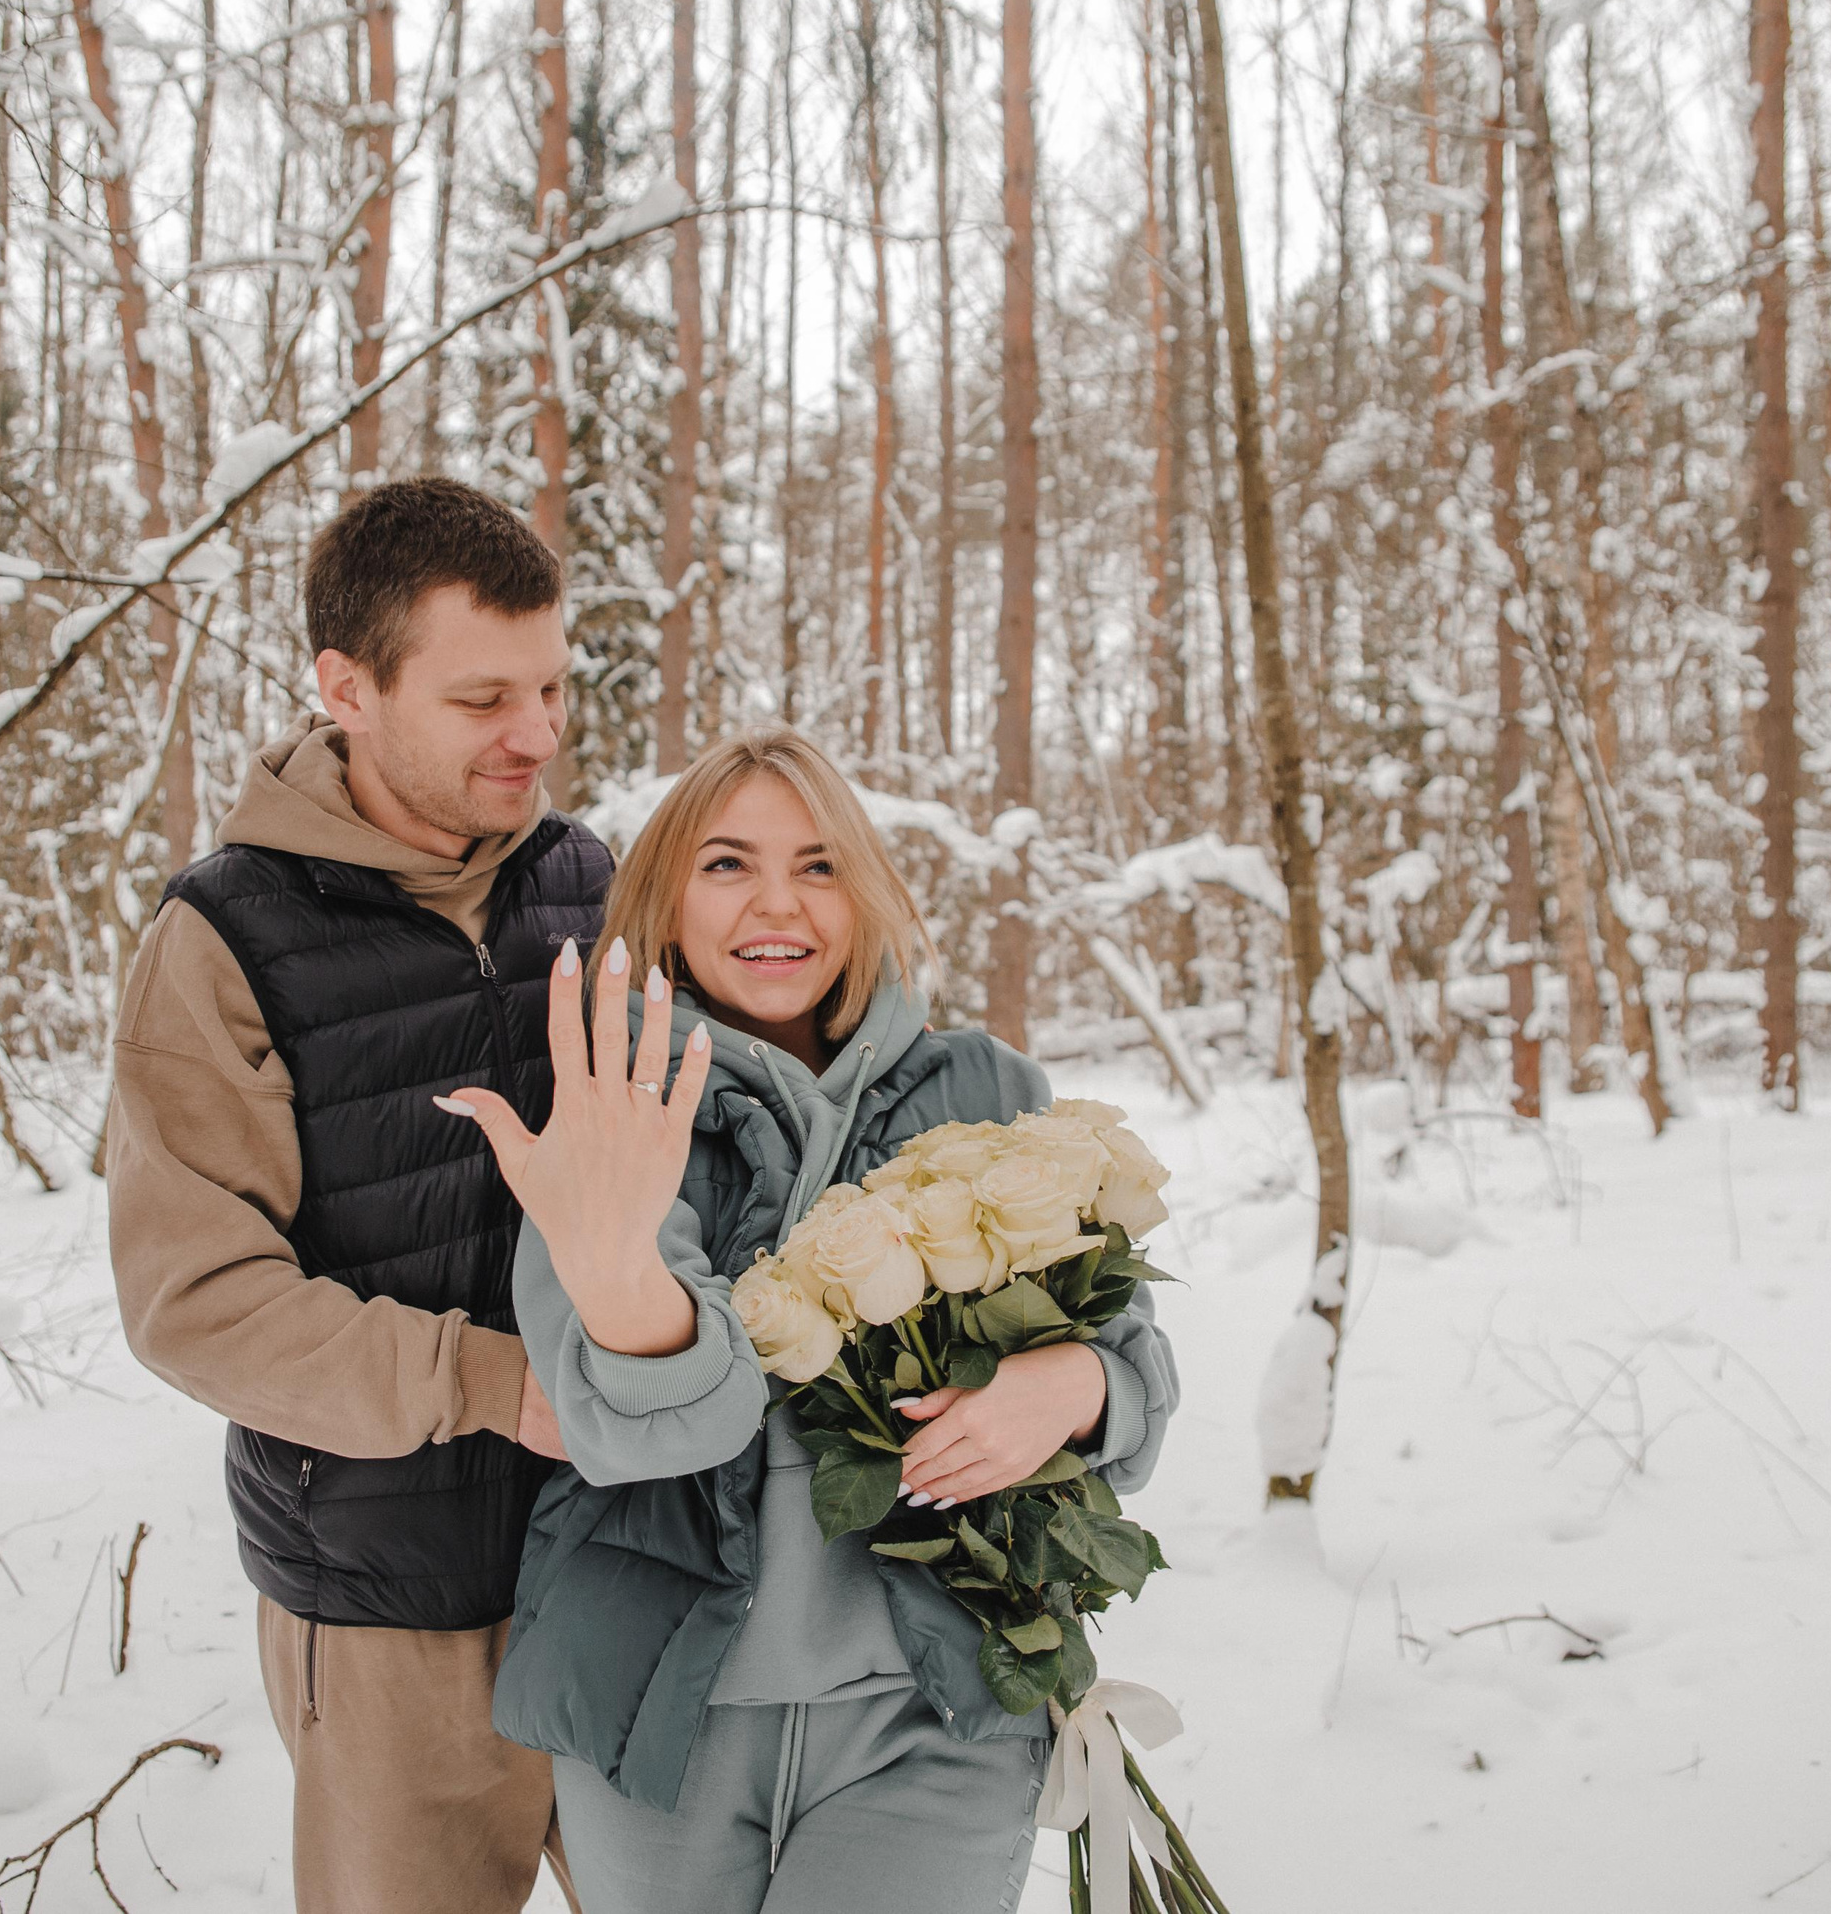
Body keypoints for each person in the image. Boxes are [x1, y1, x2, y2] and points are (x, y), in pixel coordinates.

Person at [442, 729, 1179, 1914]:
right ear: (666, 895)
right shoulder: (613, 1104)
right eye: (727, 864)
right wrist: (620, 1260)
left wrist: (1075, 1390)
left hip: (931, 1716)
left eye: (820, 866)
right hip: (659, 1710)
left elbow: (1134, 1363)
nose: (777, 904)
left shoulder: (986, 1093)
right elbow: (649, 1432)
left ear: (866, 891)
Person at [104, 478, 607, 1914]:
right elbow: (195, 1302)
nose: (539, 732)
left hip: (622, 1557)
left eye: (556, 684)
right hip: (392, 1604)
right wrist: (492, 1380)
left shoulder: (584, 878)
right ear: (348, 687)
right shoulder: (224, 938)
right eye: (483, 697)